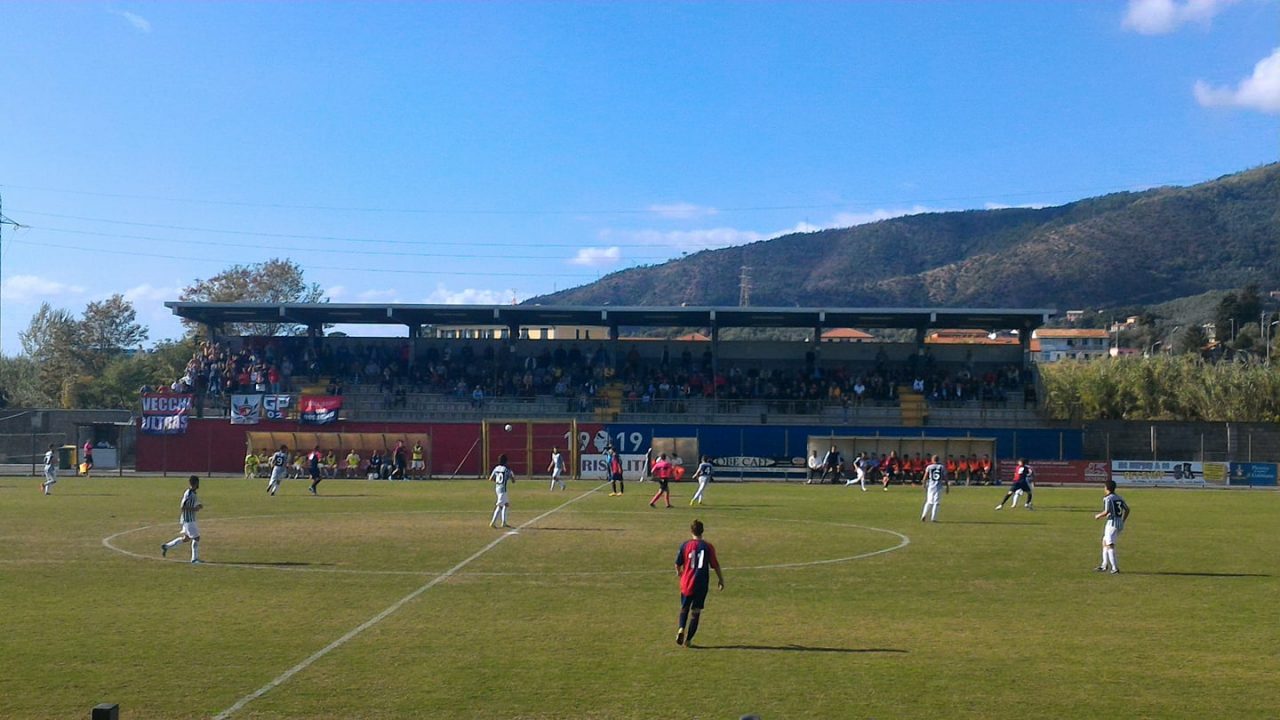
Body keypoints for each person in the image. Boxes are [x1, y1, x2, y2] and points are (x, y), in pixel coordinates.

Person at [674, 519, 725, 648]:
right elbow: (715, 565)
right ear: (702, 531)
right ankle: (688, 640)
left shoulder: (685, 545)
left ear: (691, 531)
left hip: (686, 582)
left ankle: (681, 628)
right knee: (696, 612)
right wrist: (721, 579)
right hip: (701, 583)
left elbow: (677, 563)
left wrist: (679, 573)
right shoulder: (708, 546)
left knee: (684, 607)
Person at [160, 475, 204, 564]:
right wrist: (194, 509)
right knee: (196, 538)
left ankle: (166, 546)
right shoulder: (189, 493)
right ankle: (194, 559)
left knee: (186, 538)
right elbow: (183, 506)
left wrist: (198, 506)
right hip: (188, 520)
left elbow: (190, 504)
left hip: (189, 519)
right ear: (196, 483)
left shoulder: (193, 493)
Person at [1094, 479, 1130, 574]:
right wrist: (1122, 520)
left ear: (1107, 488)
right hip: (1118, 523)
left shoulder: (1107, 498)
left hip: (1112, 523)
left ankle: (1114, 568)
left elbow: (1106, 511)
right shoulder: (1119, 497)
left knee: (1110, 545)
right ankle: (1104, 565)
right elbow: (1127, 509)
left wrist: (1098, 515)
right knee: (1104, 541)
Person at [488, 453, 514, 528]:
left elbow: (491, 478)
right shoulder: (507, 469)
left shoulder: (496, 468)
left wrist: (497, 481)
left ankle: (504, 522)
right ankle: (493, 523)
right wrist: (511, 478)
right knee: (500, 506)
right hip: (503, 490)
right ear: (506, 461)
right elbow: (513, 480)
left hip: (497, 488)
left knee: (506, 504)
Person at [920, 454, 949, 522]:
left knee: (929, 501)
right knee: (936, 502)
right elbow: (945, 477)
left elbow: (925, 477)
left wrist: (924, 484)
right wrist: (947, 486)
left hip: (931, 486)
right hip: (938, 487)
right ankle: (933, 518)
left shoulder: (929, 467)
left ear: (932, 460)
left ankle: (924, 515)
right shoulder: (942, 467)